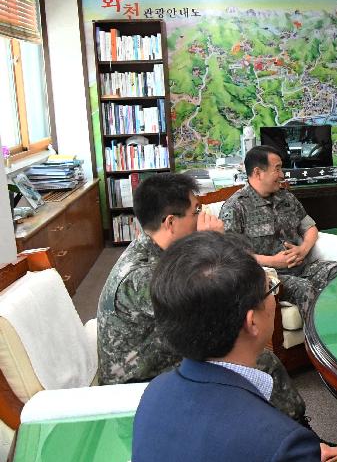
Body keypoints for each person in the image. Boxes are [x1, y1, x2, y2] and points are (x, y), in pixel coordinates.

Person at [96, 172, 307, 423]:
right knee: (260, 362)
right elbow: (220, 306)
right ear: (171, 223)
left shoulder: (160, 251)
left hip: (168, 354)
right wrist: (213, 241)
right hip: (141, 380)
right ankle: (300, 438)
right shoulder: (142, 276)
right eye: (197, 211)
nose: (204, 217)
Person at [133, 231, 337, 462]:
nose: (274, 296)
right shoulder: (282, 443)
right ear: (251, 321)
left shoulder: (153, 394)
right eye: (270, 288)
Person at [220, 145, 337, 313]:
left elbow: (310, 228)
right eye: (277, 169)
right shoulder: (235, 207)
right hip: (269, 276)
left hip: (304, 267)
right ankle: (317, 339)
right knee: (304, 289)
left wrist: (303, 249)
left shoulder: (286, 196)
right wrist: (272, 261)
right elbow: (232, 255)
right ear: (258, 172)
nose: (282, 175)